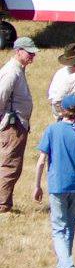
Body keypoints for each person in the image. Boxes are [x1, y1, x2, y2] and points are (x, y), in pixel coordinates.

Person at [33, 93, 75, 268]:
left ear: (62, 110)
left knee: (59, 228)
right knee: (70, 228)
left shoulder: (52, 130)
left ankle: (67, 267)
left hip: (57, 184)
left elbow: (41, 161)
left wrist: (37, 185)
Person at [0, 35, 37, 214]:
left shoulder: (18, 69)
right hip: (12, 126)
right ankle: (3, 206)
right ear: (18, 51)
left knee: (13, 164)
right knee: (10, 165)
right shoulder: (12, 71)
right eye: (29, 53)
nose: (32, 56)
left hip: (18, 124)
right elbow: (1, 97)